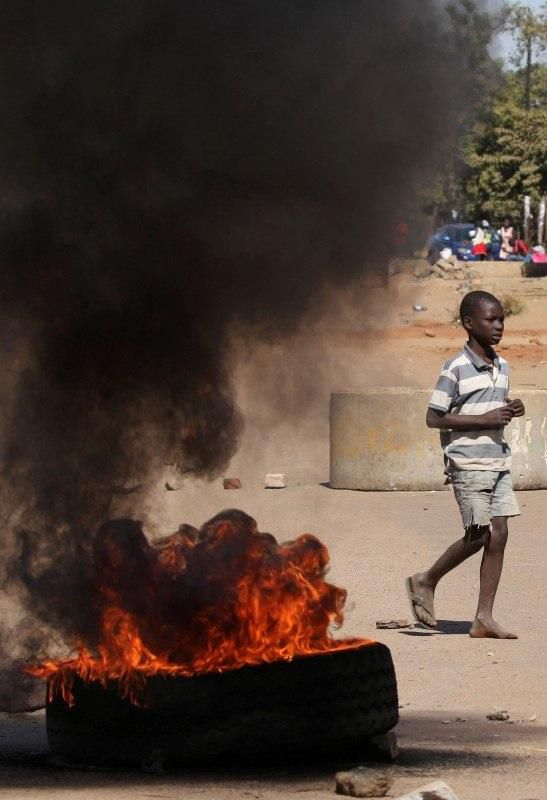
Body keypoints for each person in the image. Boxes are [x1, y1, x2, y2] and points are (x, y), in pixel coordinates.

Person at [406, 291, 525, 639]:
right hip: (468, 464)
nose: (499, 325)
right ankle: (425, 580)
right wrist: (485, 418)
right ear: (469, 324)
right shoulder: (455, 367)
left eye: (502, 318)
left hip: (497, 461)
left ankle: (483, 618)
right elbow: (434, 417)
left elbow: (494, 407)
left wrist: (511, 409)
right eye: (491, 319)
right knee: (478, 535)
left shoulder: (502, 366)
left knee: (499, 535)